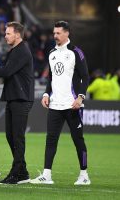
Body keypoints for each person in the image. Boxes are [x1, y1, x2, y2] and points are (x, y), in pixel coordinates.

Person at [30, 21, 91, 185]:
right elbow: (51, 78)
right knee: (50, 140)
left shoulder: (76, 52)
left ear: (67, 33)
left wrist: (80, 97)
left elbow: (85, 76)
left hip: (73, 105)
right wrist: (46, 93)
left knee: (78, 140)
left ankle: (84, 175)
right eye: (54, 33)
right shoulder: (52, 53)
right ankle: (47, 175)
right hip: (55, 105)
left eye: (58, 33)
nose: (55, 36)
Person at [0, 21, 34, 185]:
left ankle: (15, 174)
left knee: (17, 137)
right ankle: (22, 171)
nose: (5, 36)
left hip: (21, 99)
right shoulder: (16, 50)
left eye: (8, 33)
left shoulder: (22, 50)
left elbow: (7, 71)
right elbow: (7, 71)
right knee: (11, 136)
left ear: (17, 34)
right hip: (14, 98)